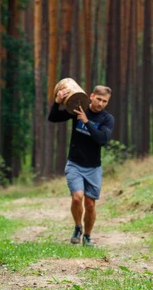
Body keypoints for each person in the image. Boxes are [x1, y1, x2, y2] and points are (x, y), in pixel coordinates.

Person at [48, 84, 114, 247]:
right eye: (98, 99)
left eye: (104, 101)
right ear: (91, 96)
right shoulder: (79, 108)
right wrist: (57, 102)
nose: (100, 104)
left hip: (94, 167)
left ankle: (87, 236)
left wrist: (86, 122)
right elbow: (54, 118)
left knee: (90, 204)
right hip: (75, 164)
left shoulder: (107, 119)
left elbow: (102, 139)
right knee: (77, 197)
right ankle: (78, 227)